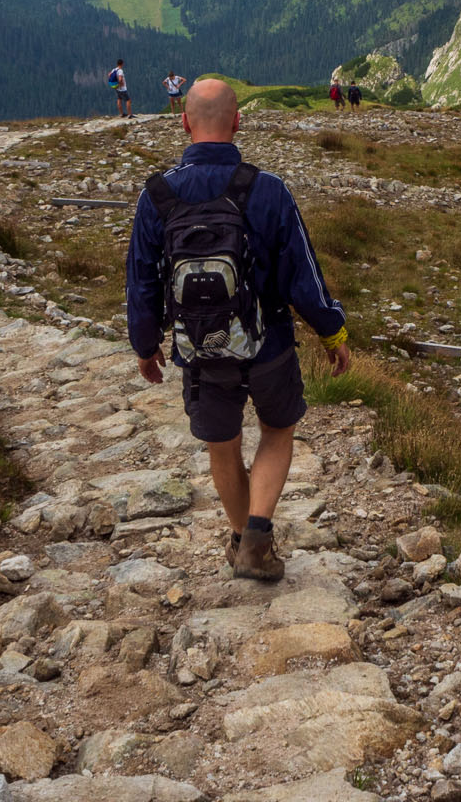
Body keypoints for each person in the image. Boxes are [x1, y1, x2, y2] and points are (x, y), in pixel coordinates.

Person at [127, 79, 350, 582]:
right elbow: (303, 274)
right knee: (276, 431)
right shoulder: (266, 189)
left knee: (222, 446)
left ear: (185, 122)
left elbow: (141, 280)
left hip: (199, 349)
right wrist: (332, 332)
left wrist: (145, 345)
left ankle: (240, 540)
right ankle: (257, 538)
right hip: (268, 341)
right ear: (237, 121)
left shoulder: (156, 194)